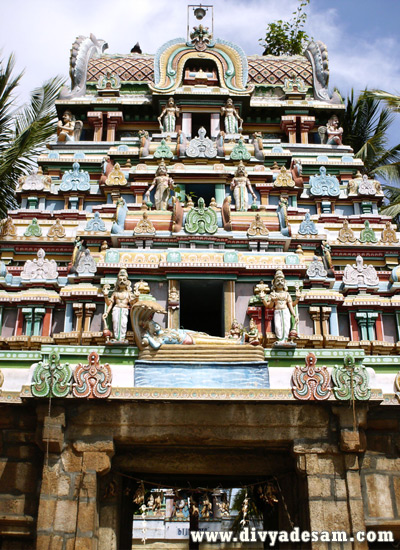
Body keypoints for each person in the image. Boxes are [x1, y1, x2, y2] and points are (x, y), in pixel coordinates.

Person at [141, 320, 243, 350]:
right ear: (152, 330)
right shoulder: (160, 338)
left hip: (189, 335)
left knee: (213, 338)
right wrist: (148, 337)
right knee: (214, 342)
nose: (156, 325)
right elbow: (155, 346)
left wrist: (194, 332)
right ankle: (236, 343)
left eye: (155, 323)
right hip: (189, 341)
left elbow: (182, 331)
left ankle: (235, 341)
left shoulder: (167, 330)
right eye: (153, 326)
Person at [262, 270, 300, 344]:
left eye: (282, 281)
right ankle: (280, 340)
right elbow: (268, 306)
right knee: (278, 326)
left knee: (286, 326)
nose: (280, 282)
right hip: (277, 311)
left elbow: (291, 305)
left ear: (285, 283)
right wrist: (264, 299)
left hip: (286, 311)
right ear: (274, 283)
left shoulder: (286, 294)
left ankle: (285, 340)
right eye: (278, 281)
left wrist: (295, 314)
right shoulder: (273, 294)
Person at [102, 269, 137, 343]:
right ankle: (116, 338)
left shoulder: (128, 293)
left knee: (123, 323)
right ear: (117, 282)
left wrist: (137, 297)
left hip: (124, 309)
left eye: (124, 279)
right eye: (120, 279)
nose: (122, 281)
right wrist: (107, 312)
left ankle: (122, 338)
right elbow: (110, 304)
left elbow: (132, 303)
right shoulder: (115, 293)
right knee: (116, 322)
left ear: (127, 282)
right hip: (116, 309)